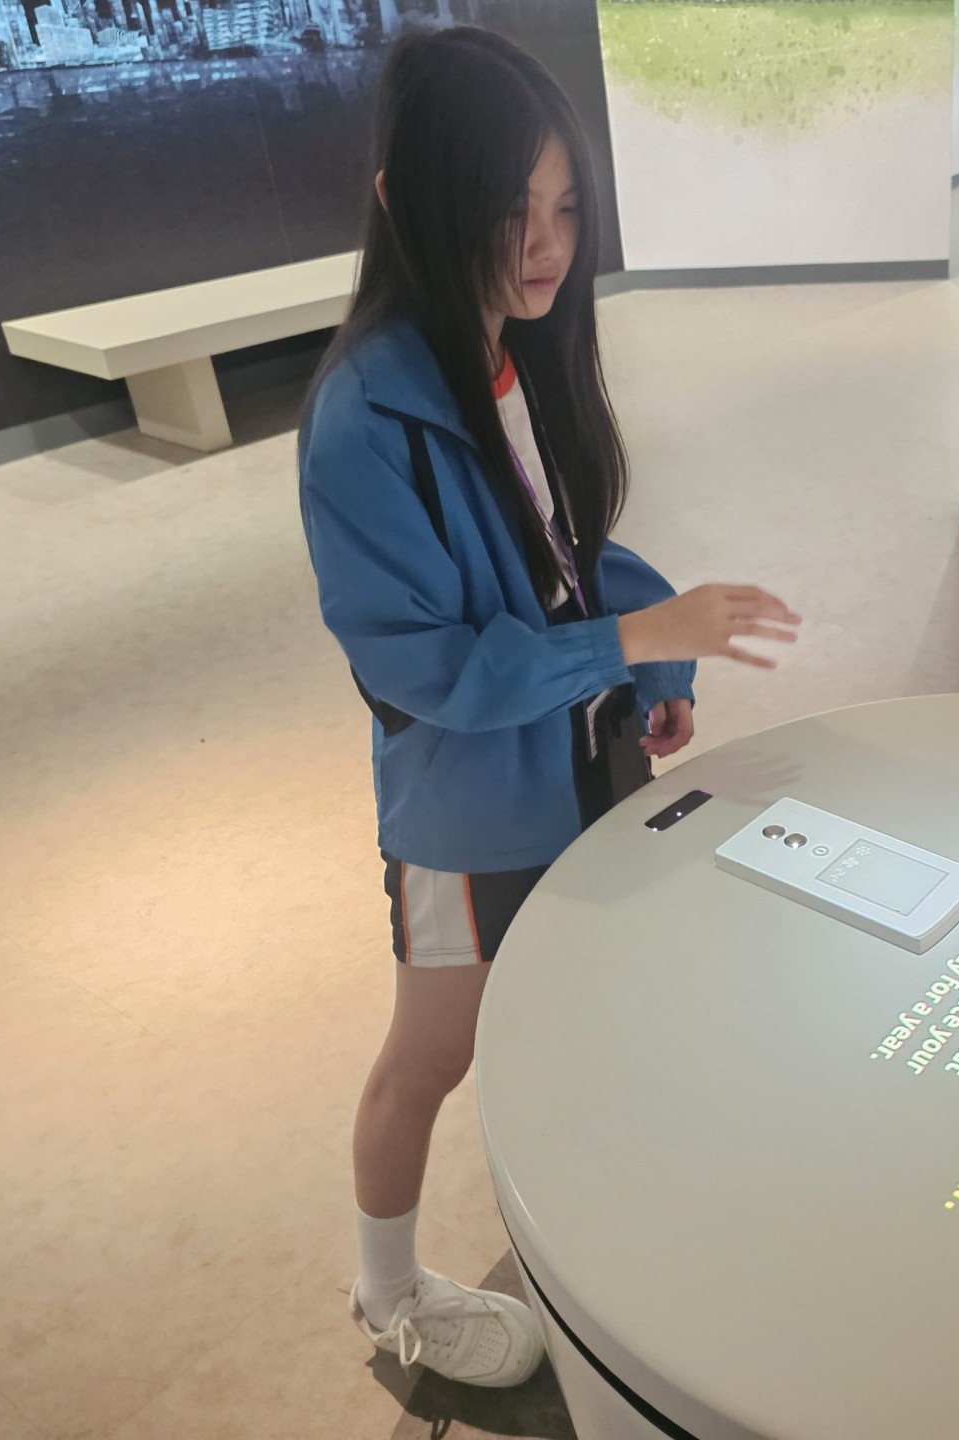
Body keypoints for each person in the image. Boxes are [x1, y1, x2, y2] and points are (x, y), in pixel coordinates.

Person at [297, 26, 800, 1387]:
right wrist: (634, 637)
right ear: (404, 198)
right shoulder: (361, 423)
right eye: (506, 209)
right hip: (467, 820)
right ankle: (386, 1294)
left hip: (584, 770)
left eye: (566, 208)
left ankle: (616, 1233)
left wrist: (655, 666)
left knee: (592, 1009)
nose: (545, 246)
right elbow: (430, 672)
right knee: (432, 1057)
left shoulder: (513, 359)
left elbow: (566, 556)